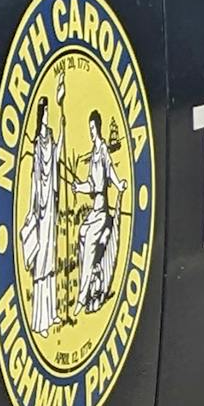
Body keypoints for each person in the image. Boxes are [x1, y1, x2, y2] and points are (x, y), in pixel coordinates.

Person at [19, 97, 60, 335]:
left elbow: (54, 161)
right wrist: (34, 209)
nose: (47, 117)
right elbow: (37, 177)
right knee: (42, 262)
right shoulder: (36, 145)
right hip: (41, 209)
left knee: (51, 259)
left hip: (51, 208)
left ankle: (52, 313)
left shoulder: (51, 138)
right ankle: (40, 320)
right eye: (44, 113)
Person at [75, 109, 119, 315]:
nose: (90, 132)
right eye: (89, 128)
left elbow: (109, 174)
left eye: (93, 128)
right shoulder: (93, 153)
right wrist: (78, 187)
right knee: (81, 235)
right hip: (94, 211)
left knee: (90, 243)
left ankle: (82, 298)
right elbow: (91, 184)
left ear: (98, 128)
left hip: (102, 212)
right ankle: (89, 279)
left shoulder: (102, 151)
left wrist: (120, 185)